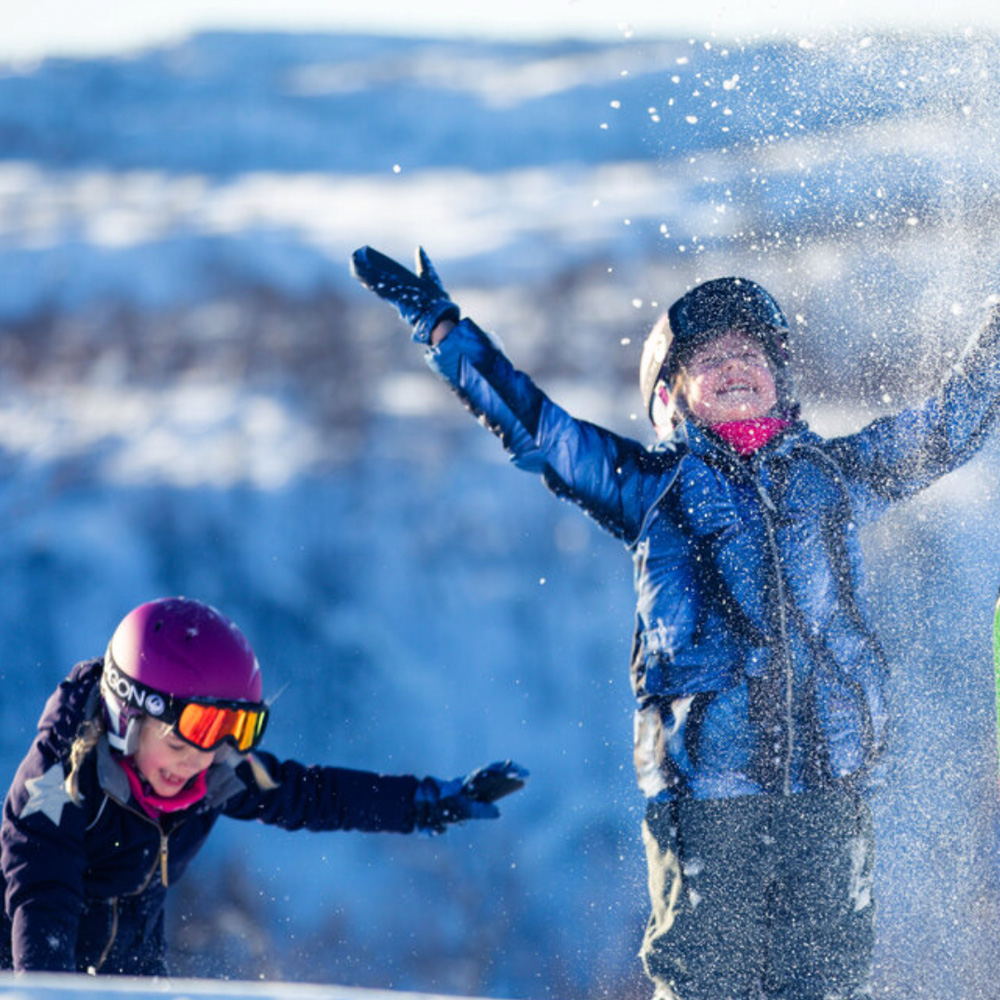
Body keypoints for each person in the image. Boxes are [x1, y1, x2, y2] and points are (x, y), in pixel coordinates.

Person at [350, 246, 1000, 1000]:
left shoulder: (835, 476)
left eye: (751, 354)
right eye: (710, 360)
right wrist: (443, 330)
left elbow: (950, 426)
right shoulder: (651, 486)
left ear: (781, 379)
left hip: (831, 796)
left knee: (826, 984)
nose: (736, 367)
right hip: (710, 802)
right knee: (704, 984)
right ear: (672, 397)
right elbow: (539, 432)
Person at [0, 596, 527, 976]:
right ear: (126, 718)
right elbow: (43, 897)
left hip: (129, 980)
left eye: (214, 746)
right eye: (180, 743)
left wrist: (423, 803)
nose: (194, 763)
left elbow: (314, 795)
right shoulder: (58, 782)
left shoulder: (216, 776)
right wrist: (50, 992)